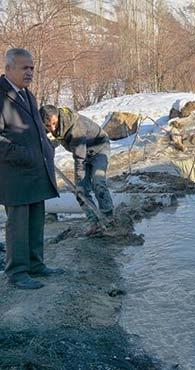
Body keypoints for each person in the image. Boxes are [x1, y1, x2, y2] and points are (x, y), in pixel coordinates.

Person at [0, 48, 63, 289]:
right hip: (14, 174)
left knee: (36, 219)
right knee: (18, 224)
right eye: (24, 68)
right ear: (8, 69)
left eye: (32, 68)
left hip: (36, 171)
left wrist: (47, 147)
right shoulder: (1, 95)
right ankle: (17, 272)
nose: (29, 72)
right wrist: (24, 155)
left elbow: (36, 128)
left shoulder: (28, 95)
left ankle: (36, 264)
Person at [39, 105, 113, 234]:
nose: (52, 128)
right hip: (82, 153)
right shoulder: (52, 124)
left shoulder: (75, 128)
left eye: (54, 124)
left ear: (58, 117)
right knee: (80, 192)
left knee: (98, 182)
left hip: (99, 149)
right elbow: (47, 137)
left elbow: (79, 159)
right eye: (48, 126)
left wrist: (79, 181)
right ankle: (94, 221)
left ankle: (109, 219)